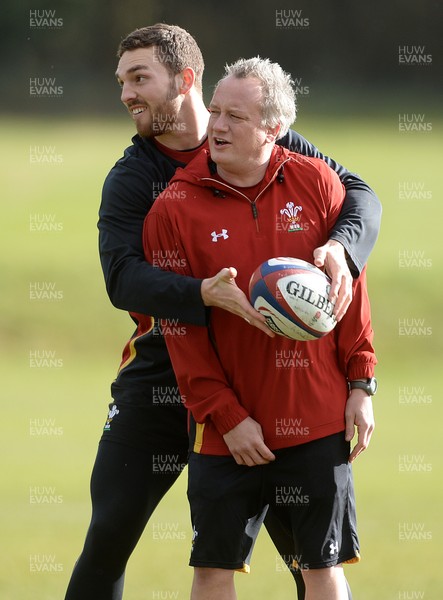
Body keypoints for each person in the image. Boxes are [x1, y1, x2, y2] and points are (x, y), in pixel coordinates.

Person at [64, 24, 381, 600]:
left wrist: (341, 251)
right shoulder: (136, 180)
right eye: (121, 81)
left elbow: (359, 196)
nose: (126, 94)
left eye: (140, 78)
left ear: (184, 80)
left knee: (308, 557)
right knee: (112, 530)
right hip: (168, 371)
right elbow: (123, 279)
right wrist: (203, 294)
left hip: (268, 378)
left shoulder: (275, 145)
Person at [143, 57, 377, 600]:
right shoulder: (173, 209)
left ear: (274, 129)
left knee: (322, 568)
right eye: (216, 111)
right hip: (227, 434)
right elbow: (181, 331)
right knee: (211, 571)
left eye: (236, 117)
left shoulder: (317, 182)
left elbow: (352, 294)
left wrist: (362, 386)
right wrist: (226, 418)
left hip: (317, 421)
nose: (217, 126)